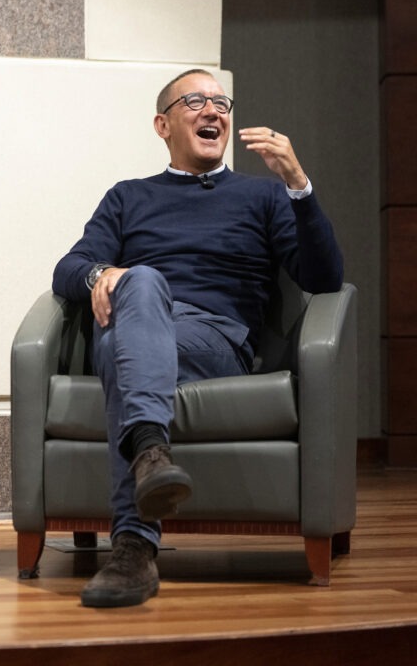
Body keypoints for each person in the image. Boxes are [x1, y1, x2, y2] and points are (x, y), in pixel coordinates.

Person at [52, 69, 344, 608]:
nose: (214, 111)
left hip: (213, 341)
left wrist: (298, 185)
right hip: (137, 324)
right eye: (195, 101)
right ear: (162, 125)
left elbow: (323, 278)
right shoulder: (128, 196)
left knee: (132, 310)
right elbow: (67, 268)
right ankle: (149, 467)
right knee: (139, 281)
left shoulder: (264, 196)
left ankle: (135, 542)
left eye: (221, 102)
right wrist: (100, 275)